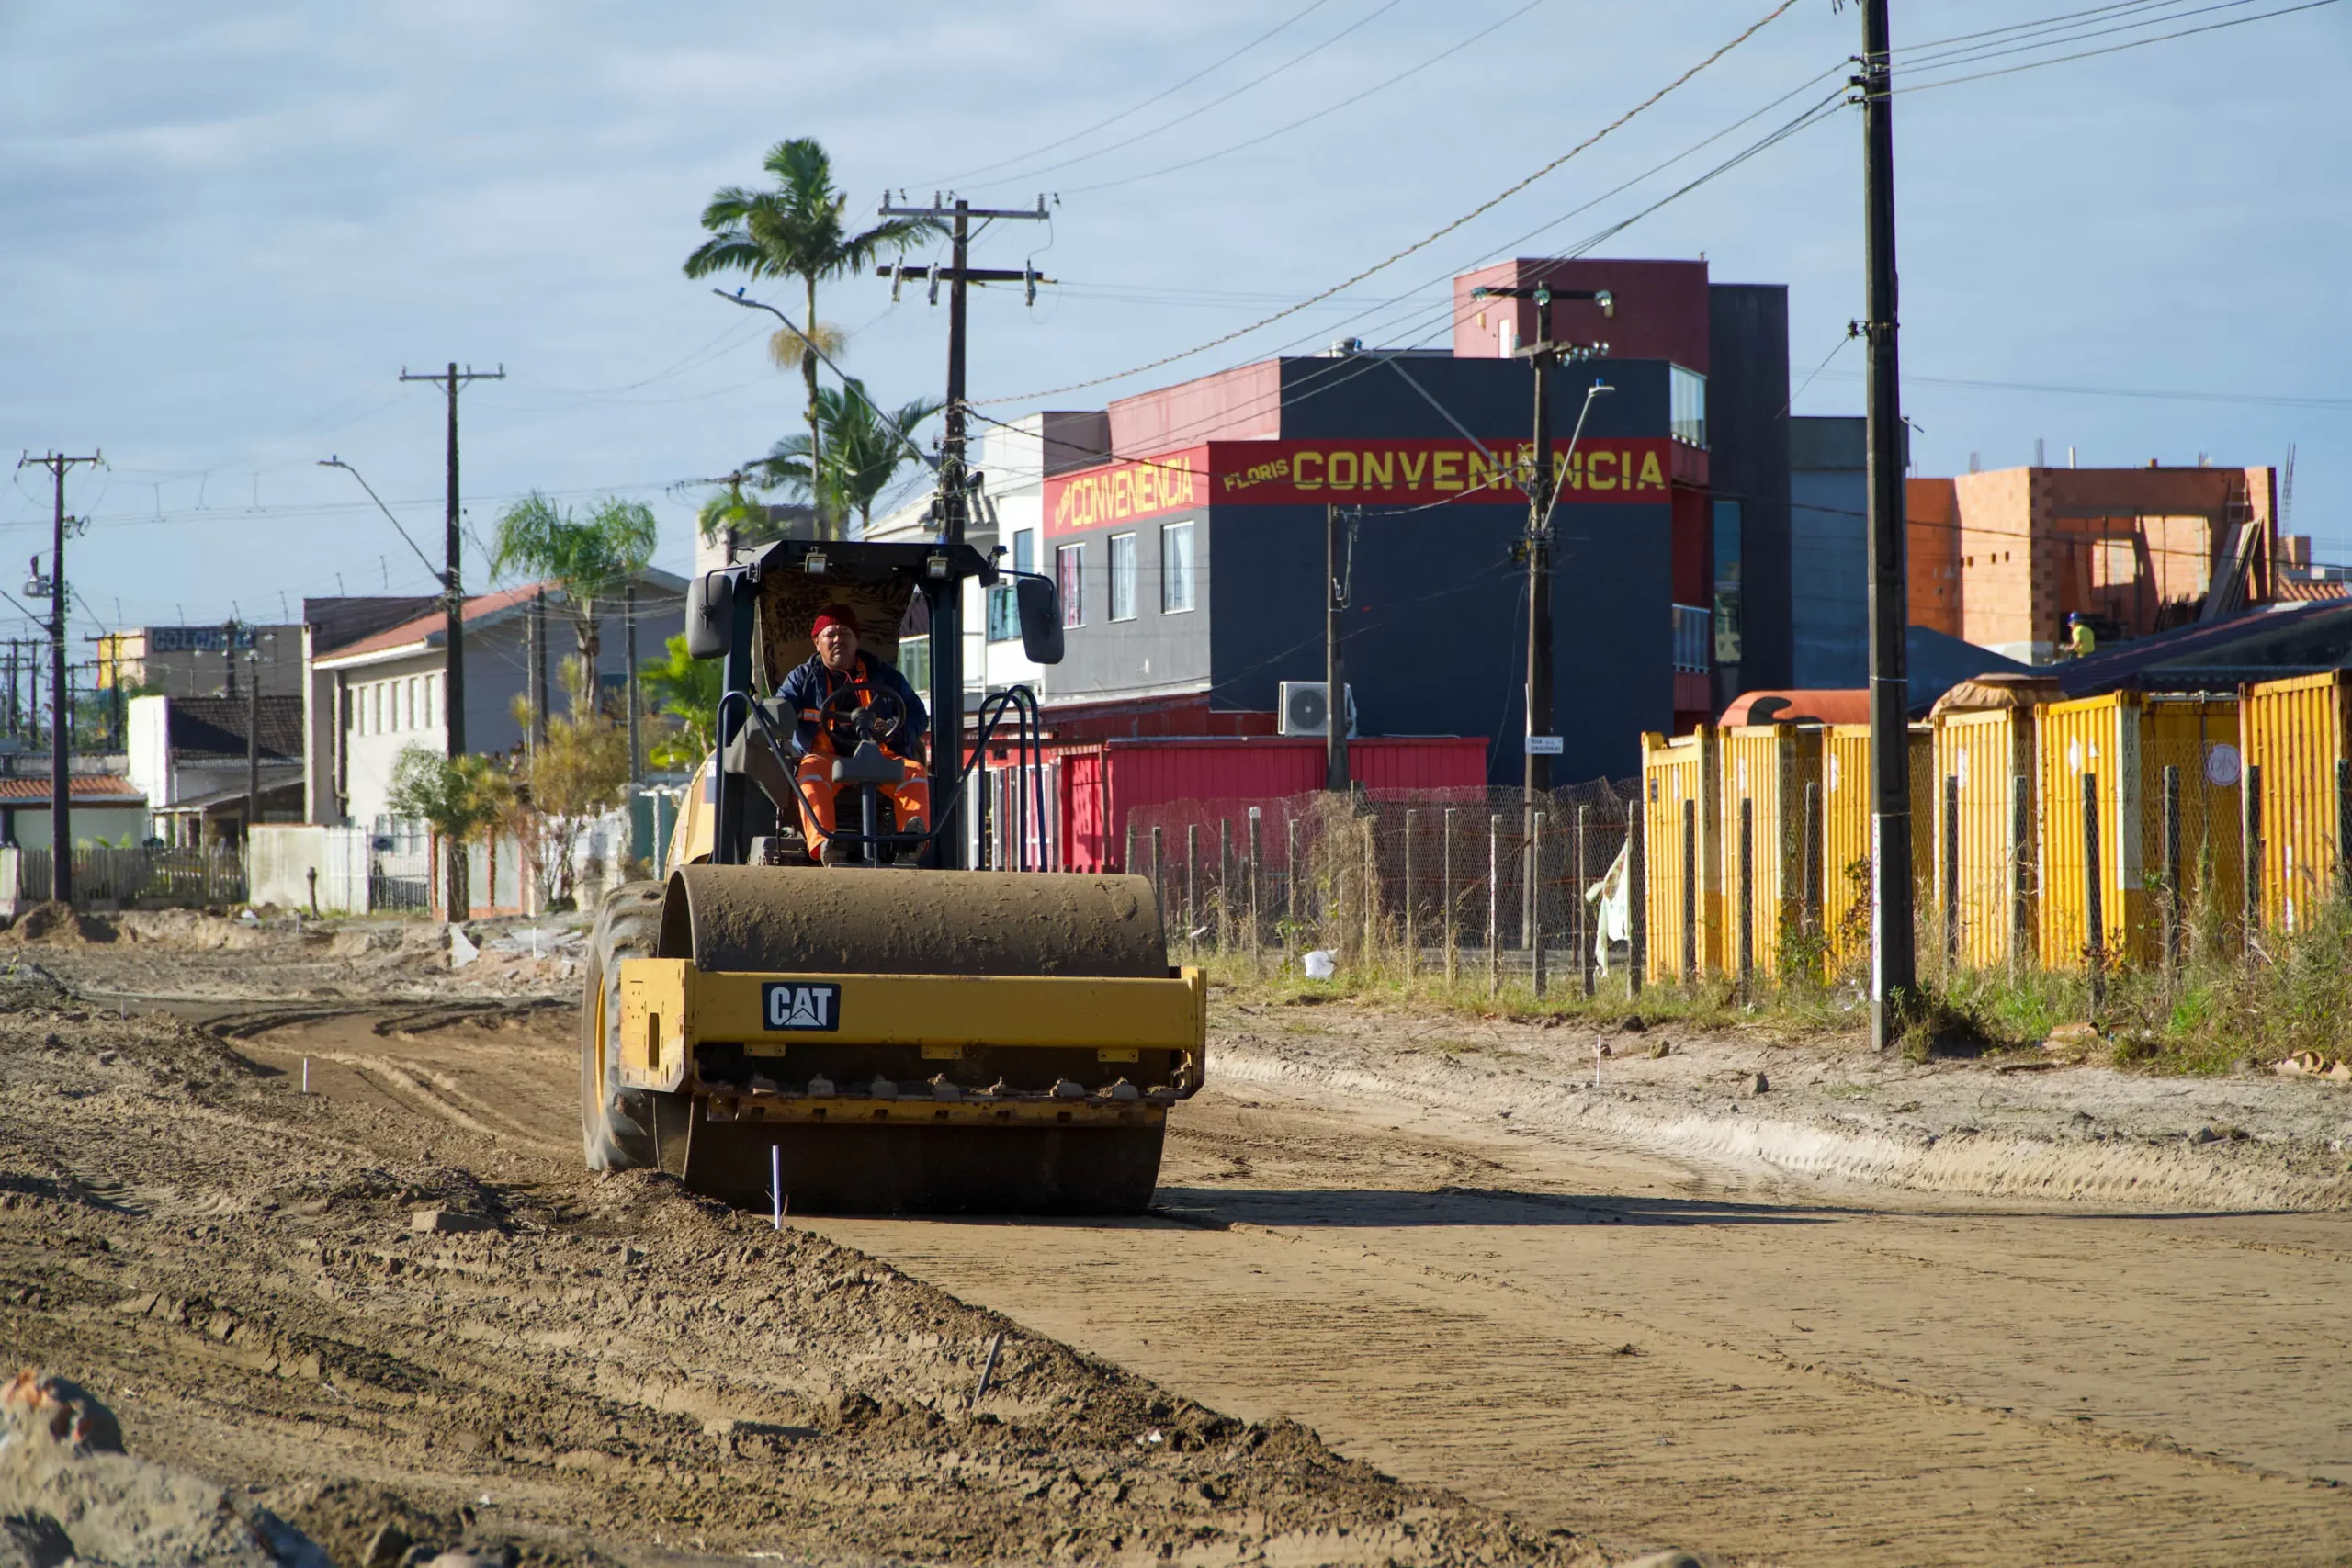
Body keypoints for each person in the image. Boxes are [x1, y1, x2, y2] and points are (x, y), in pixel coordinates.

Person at [774, 605, 931, 863]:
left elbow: (917, 714)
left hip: (879, 756)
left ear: (856, 640)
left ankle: (909, 845)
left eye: (845, 633)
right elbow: (780, 709)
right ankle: (826, 844)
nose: (838, 640)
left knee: (914, 772)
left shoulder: (885, 676)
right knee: (809, 771)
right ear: (817, 642)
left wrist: (893, 728)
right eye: (830, 634)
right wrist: (773, 718)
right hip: (826, 758)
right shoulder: (801, 679)